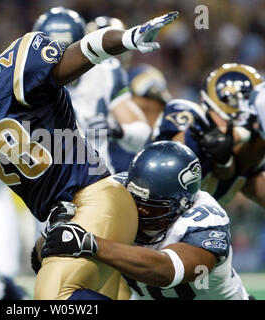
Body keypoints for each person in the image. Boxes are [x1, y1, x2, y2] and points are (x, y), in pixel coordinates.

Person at [0, 11, 179, 300]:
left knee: (52, 297)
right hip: (59, 216)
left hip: (94, 197)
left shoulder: (15, 74)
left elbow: (86, 50)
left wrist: (128, 38)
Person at [41, 141, 252, 300]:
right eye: (135, 202)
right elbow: (42, 255)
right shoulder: (118, 189)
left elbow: (167, 271)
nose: (140, 212)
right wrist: (58, 229)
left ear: (182, 205)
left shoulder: (206, 220)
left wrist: (90, 243)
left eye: (152, 208)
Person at [32, 7, 151, 174]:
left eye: (66, 53)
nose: (59, 62)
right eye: (51, 55)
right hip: (45, 184)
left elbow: (141, 134)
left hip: (96, 180)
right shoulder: (25, 82)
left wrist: (118, 130)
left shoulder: (105, 72)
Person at [151, 63, 265, 208]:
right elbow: (175, 156)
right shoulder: (188, 113)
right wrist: (241, 134)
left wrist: (225, 161)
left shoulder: (251, 154)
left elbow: (226, 172)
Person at [109, 63, 172, 172]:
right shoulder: (110, 130)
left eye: (158, 107)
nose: (154, 113)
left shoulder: (167, 136)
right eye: (145, 109)